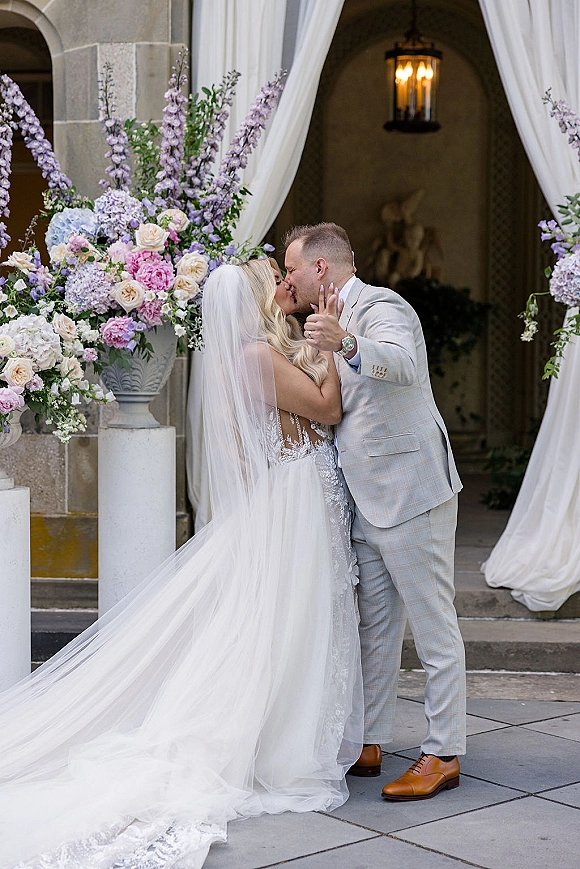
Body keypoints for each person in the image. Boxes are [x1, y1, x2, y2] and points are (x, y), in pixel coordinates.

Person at [0, 259, 363, 868]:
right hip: (294, 499)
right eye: (271, 276)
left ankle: (293, 735)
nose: (281, 283)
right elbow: (327, 410)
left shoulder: (260, 351)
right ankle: (284, 748)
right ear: (251, 299)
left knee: (295, 623)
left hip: (302, 495)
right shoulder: (253, 356)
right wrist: (334, 342)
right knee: (287, 623)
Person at [284, 222, 466, 801]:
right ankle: (369, 739)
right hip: (363, 498)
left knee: (434, 626)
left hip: (412, 491)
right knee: (375, 626)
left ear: (320, 268)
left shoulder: (382, 306)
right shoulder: (319, 322)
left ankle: (442, 752)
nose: (287, 279)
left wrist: (349, 344)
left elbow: (404, 365)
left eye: (291, 269)